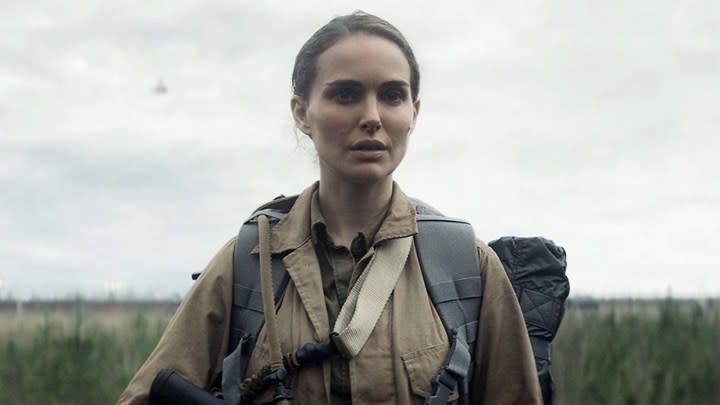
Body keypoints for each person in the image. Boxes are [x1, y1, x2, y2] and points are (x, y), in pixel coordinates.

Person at [117, 11, 541, 405]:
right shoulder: (248, 265)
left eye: (392, 95)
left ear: (413, 112)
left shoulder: (466, 266)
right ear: (302, 113)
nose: (372, 116)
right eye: (345, 95)